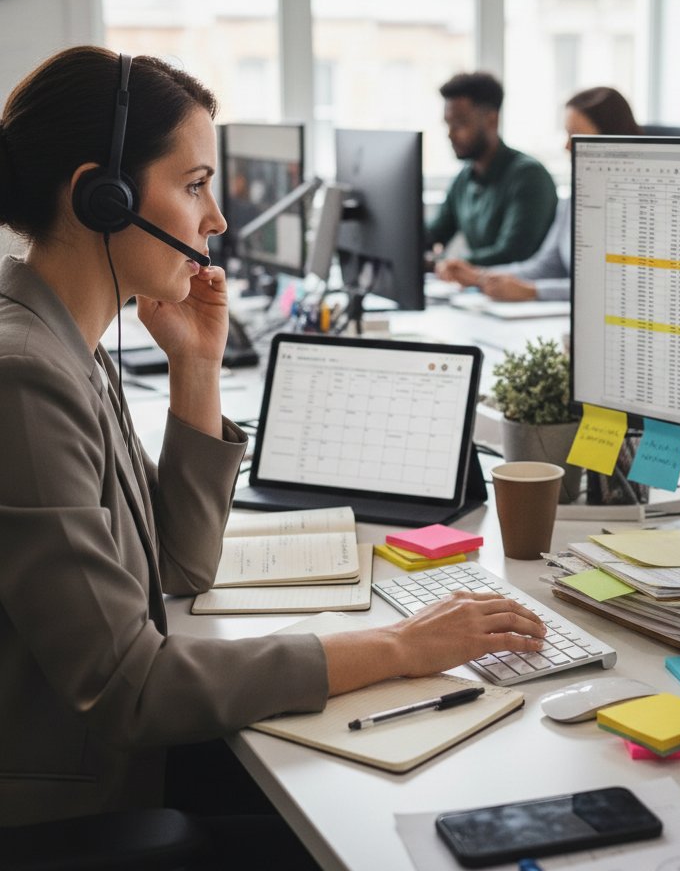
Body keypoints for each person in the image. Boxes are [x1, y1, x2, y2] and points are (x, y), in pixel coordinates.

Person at [0, 47, 546, 843]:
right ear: (104, 198)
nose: (216, 219)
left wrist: (196, 367)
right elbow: (130, 685)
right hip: (83, 805)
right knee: (390, 828)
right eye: (194, 186)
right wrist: (397, 644)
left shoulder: (67, 345)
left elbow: (177, 569)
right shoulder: (25, 375)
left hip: (123, 760)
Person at [436, 87, 641, 301]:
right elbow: (547, 265)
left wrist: (534, 292)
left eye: (576, 136)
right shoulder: (577, 197)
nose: (567, 146)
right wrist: (480, 276)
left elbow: (615, 287)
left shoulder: (640, 208)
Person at [426, 72, 557, 267]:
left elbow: (512, 254)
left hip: (518, 292)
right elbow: (434, 234)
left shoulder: (528, 175)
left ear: (491, 120)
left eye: (460, 124)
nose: (450, 134)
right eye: (448, 124)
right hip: (481, 291)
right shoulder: (464, 178)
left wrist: (444, 263)